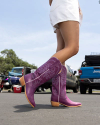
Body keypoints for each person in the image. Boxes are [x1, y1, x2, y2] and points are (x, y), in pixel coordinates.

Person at [19, 0, 83, 108]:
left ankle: (58, 96)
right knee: (73, 48)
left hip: (58, 6)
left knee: (62, 50)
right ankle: (33, 79)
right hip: (67, 5)